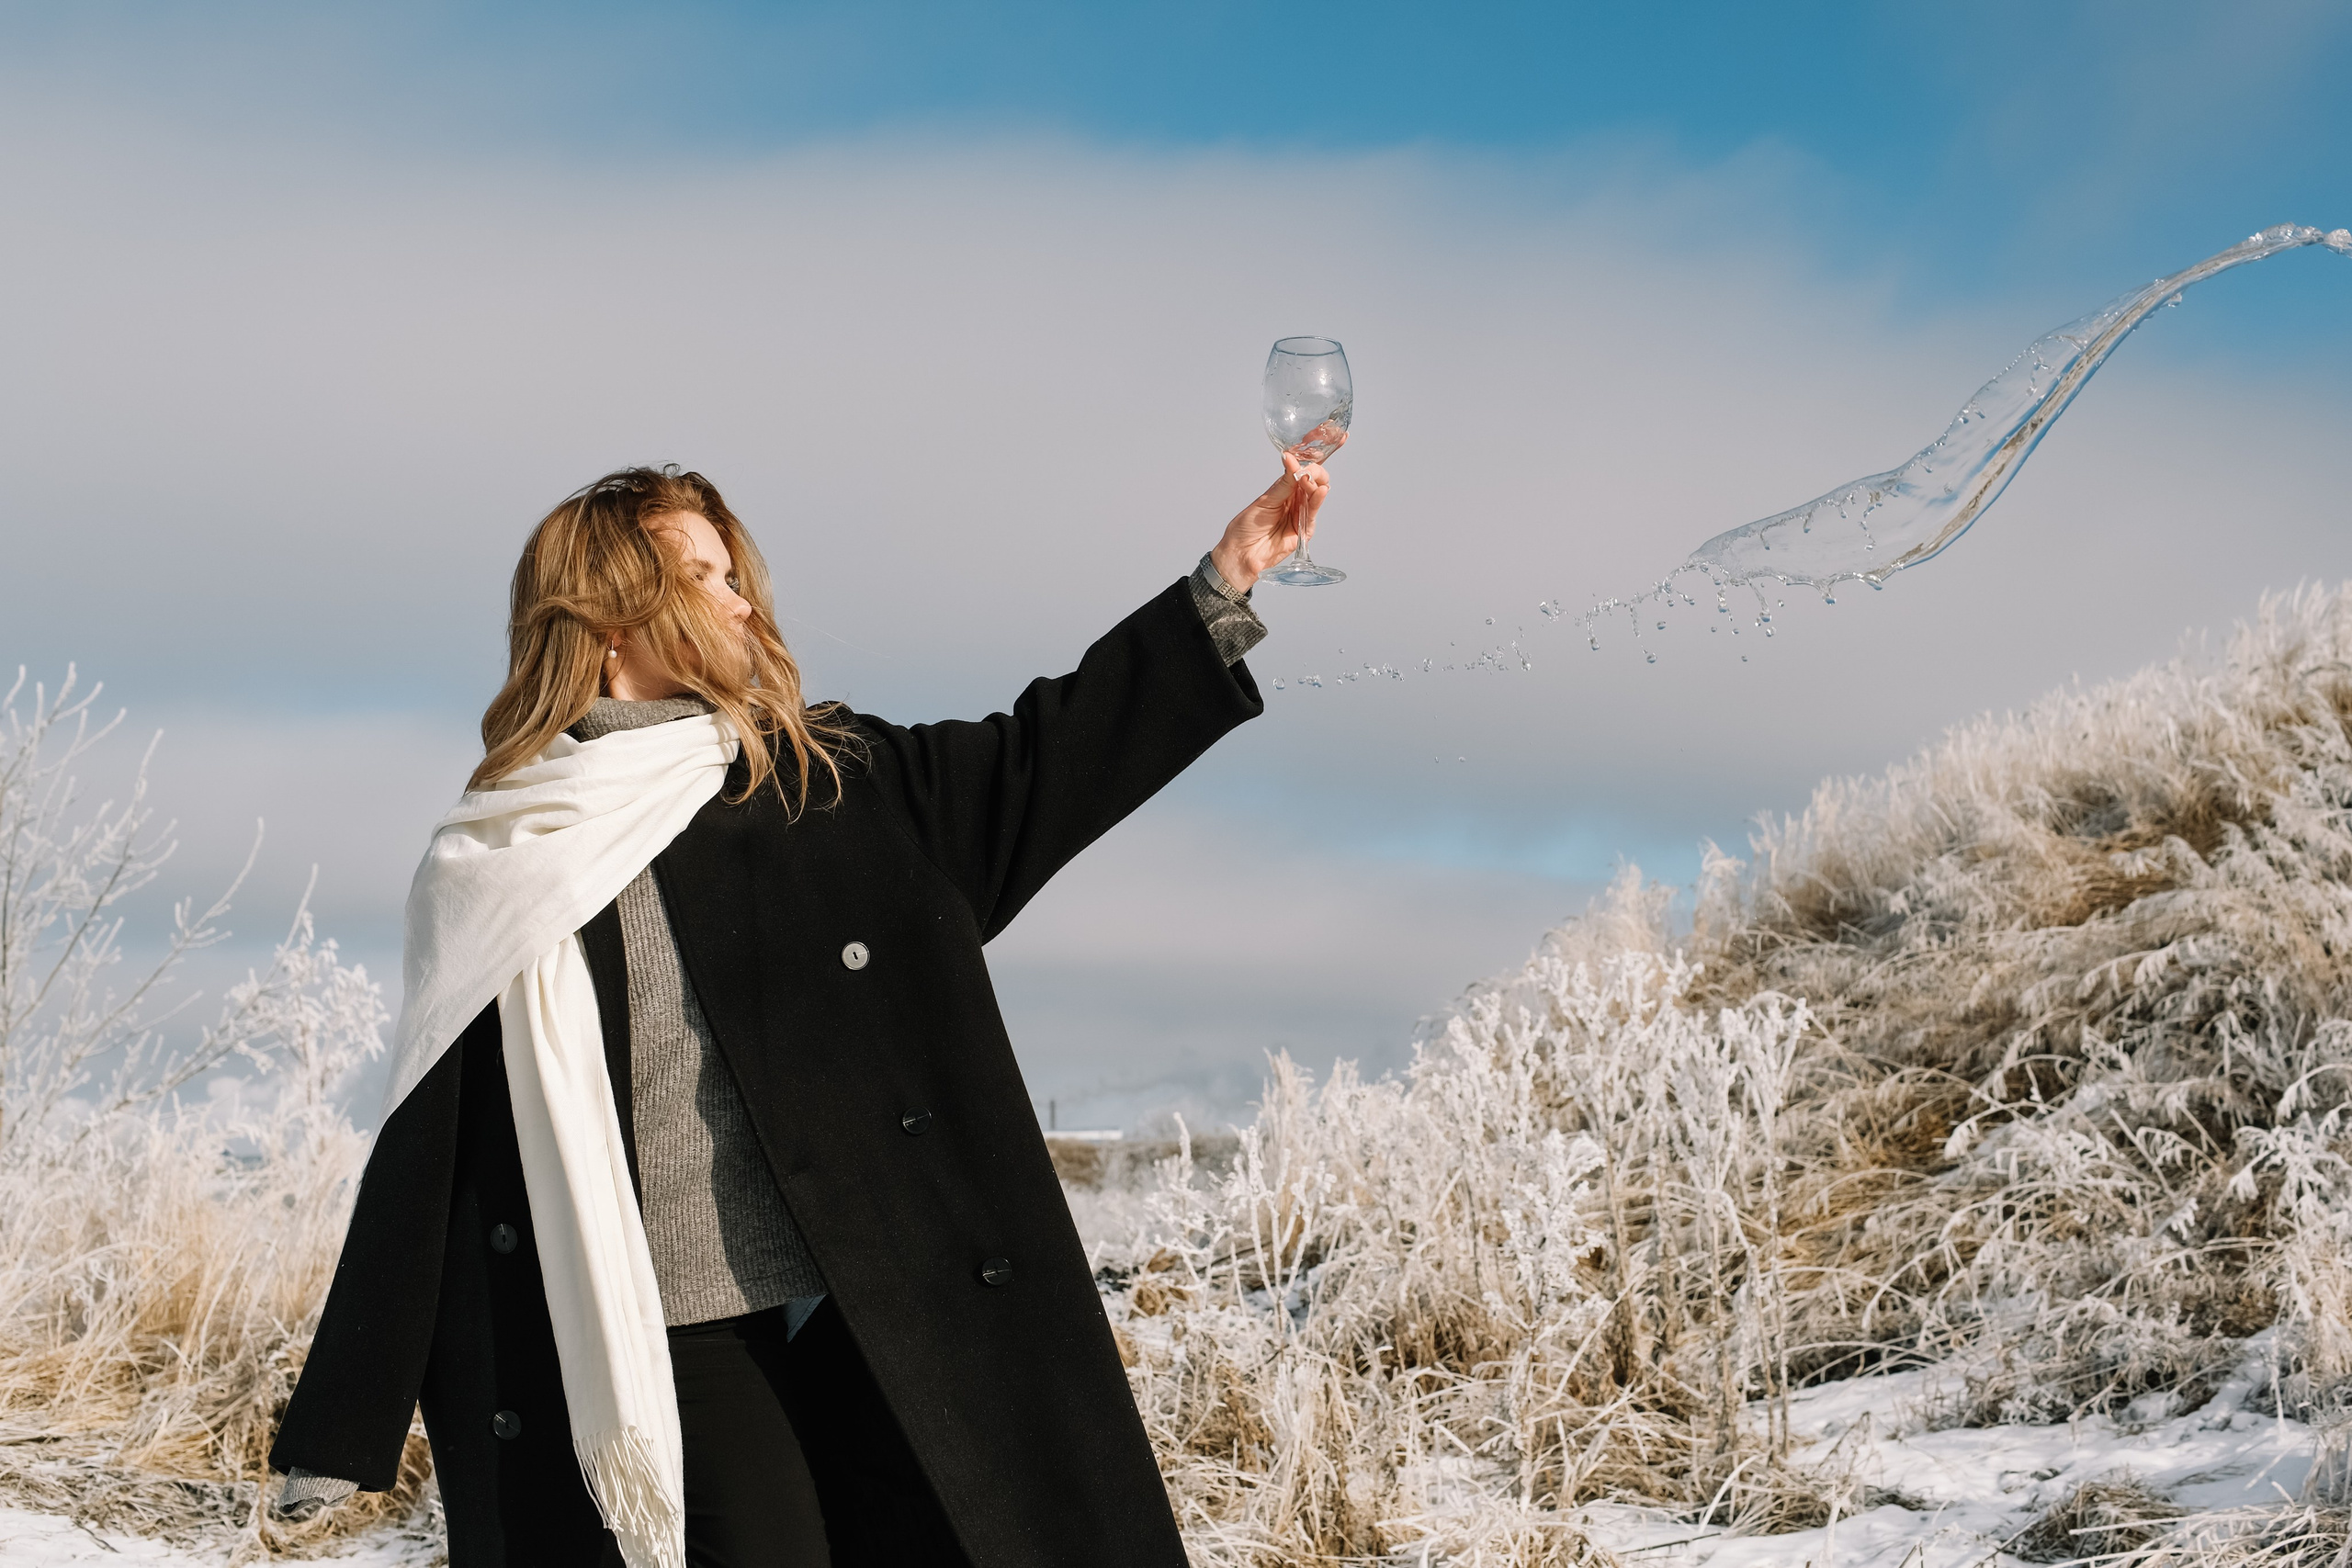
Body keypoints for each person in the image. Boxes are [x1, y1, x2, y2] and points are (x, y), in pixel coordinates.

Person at [266, 448, 1336, 1568]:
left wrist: (1221, 587)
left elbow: (1041, 761)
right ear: (612, 619)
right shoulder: (501, 855)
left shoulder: (824, 784)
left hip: (873, 1302)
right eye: (706, 577)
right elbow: (433, 1149)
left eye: (736, 576)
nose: (744, 603)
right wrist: (347, 1414)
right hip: (664, 1329)